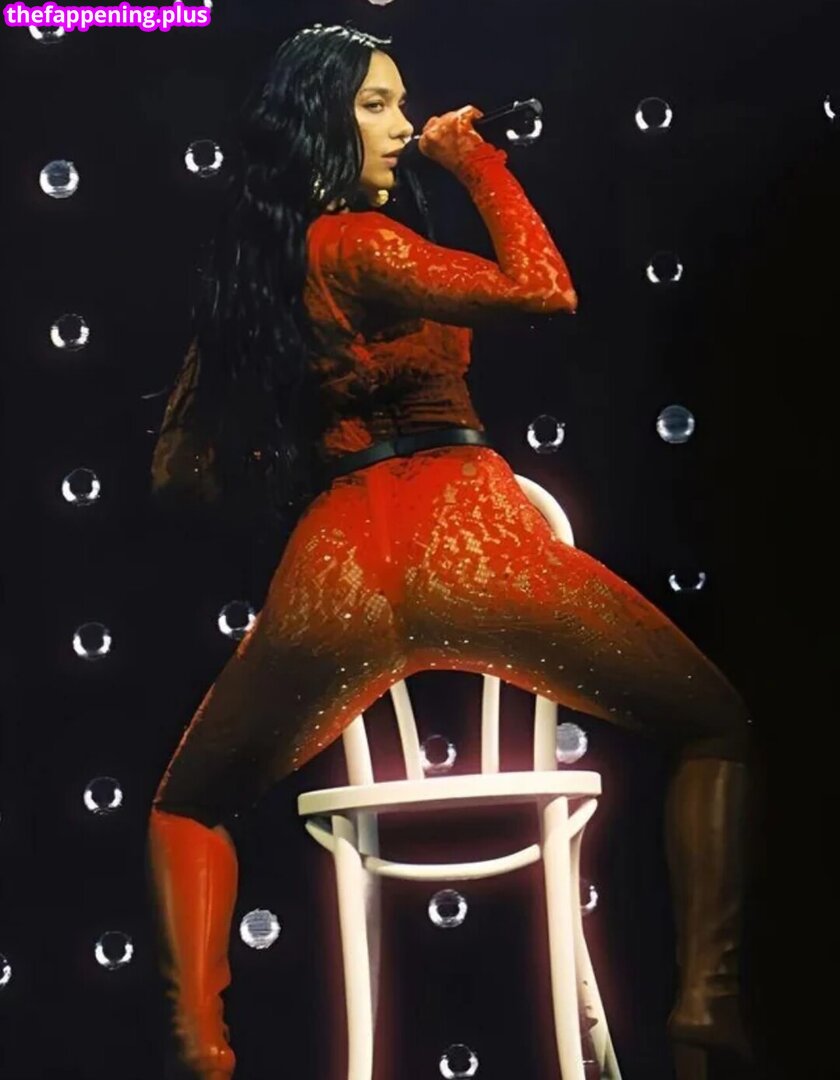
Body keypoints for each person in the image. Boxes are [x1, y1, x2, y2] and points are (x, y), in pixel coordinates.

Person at [145, 22, 756, 1080]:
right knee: (717, 725)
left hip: (336, 566)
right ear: (320, 120)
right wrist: (479, 165)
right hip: (466, 539)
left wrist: (305, 445)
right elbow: (544, 289)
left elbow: (176, 473)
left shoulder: (252, 272)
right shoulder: (358, 242)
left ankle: (199, 1050)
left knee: (186, 805)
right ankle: (709, 1001)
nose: (400, 126)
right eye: (376, 105)